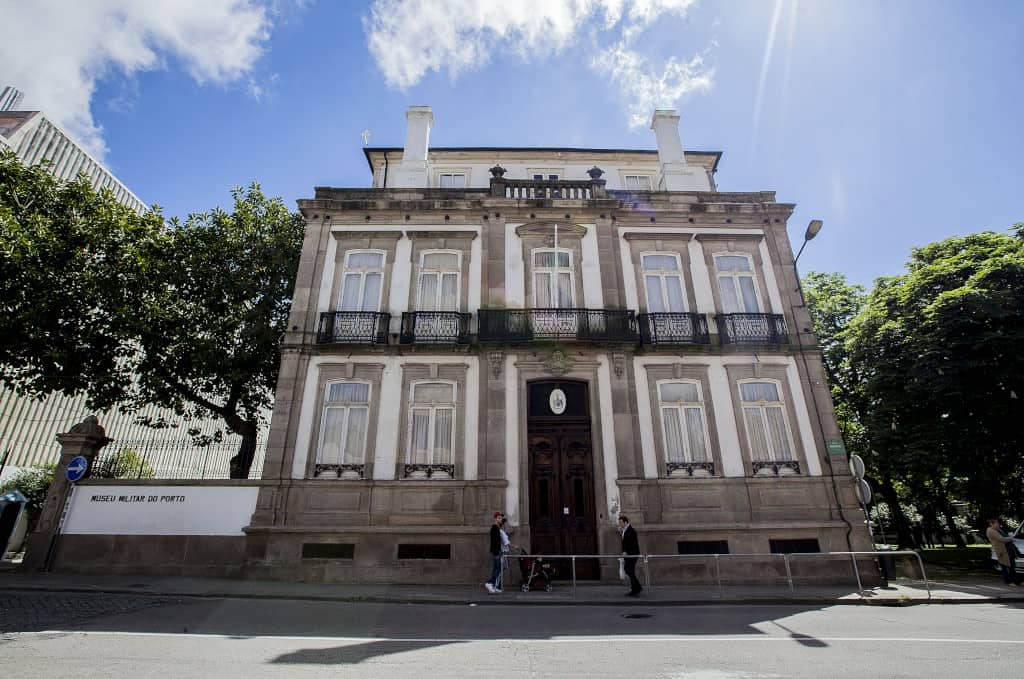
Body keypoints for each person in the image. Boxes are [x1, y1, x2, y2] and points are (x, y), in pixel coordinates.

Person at [986, 518, 1019, 586]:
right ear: (991, 524)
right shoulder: (991, 531)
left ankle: (1016, 581)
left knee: (1012, 566)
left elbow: (1005, 536)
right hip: (1002, 551)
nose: (998, 524)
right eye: (996, 523)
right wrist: (1011, 538)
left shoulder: (998, 530)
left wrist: (1009, 537)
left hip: (1008, 550)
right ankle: (1009, 582)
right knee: (1005, 567)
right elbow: (1001, 539)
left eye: (998, 523)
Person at [618, 515, 643, 596]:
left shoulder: (630, 530)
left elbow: (632, 543)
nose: (620, 524)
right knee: (629, 570)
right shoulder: (625, 530)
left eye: (621, 522)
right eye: (619, 522)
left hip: (632, 554)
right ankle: (636, 588)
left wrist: (626, 552)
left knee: (629, 570)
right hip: (629, 554)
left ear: (625, 522)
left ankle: (637, 588)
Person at [485, 511, 504, 593]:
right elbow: (494, 542)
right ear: (495, 519)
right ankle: (490, 583)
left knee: (496, 568)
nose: (500, 519)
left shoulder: (497, 528)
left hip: (497, 550)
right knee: (498, 568)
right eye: (499, 518)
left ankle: (494, 586)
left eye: (501, 518)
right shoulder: (494, 528)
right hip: (496, 551)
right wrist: (497, 551)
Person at [498, 516, 518, 590]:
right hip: (502, 552)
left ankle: (498, 585)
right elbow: (506, 543)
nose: (507, 525)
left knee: (503, 567)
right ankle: (497, 585)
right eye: (506, 524)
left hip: (503, 552)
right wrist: (514, 546)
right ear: (503, 525)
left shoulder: (501, 531)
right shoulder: (501, 532)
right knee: (501, 568)